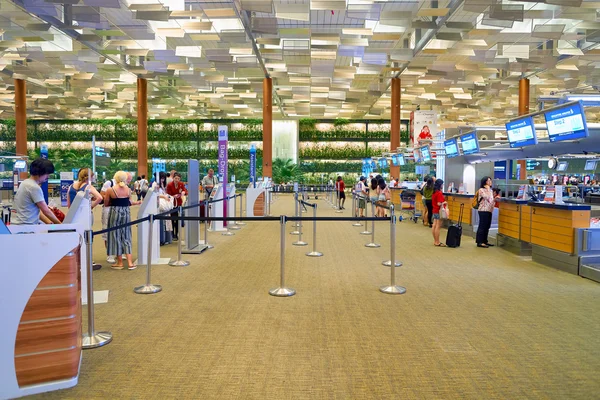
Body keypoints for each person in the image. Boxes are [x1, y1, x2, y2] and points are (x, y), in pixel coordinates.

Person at [106, 171, 141, 270]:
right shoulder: (128, 190)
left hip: (114, 212)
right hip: (126, 212)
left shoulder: (110, 190)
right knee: (126, 235)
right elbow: (129, 202)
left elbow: (106, 203)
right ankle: (130, 262)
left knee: (115, 235)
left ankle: (120, 262)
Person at [12, 158, 62, 225]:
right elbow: (46, 211)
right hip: (26, 227)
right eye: (47, 174)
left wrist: (49, 223)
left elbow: (37, 210)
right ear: (40, 172)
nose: (48, 177)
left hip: (20, 225)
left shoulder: (25, 183)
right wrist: (61, 225)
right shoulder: (34, 187)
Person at [154, 171, 174, 245]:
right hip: (159, 206)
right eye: (161, 178)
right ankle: (162, 239)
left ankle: (166, 238)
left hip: (164, 205)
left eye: (163, 178)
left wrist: (167, 196)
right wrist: (164, 196)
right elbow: (156, 194)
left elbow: (163, 193)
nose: (162, 180)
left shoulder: (162, 184)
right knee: (162, 223)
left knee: (166, 223)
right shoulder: (155, 184)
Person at [167, 172, 188, 240]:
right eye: (176, 178)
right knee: (173, 219)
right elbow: (168, 195)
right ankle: (173, 234)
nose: (177, 180)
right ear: (173, 178)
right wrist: (173, 196)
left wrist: (184, 192)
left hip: (179, 203)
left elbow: (185, 191)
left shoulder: (181, 184)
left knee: (178, 219)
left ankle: (177, 233)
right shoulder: (169, 185)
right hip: (172, 204)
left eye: (178, 179)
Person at [476, 176, 495, 248]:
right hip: (483, 210)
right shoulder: (481, 190)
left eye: (490, 180)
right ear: (485, 182)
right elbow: (488, 198)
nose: (490, 182)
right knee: (482, 226)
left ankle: (485, 241)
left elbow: (492, 200)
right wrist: (488, 189)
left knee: (487, 226)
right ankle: (479, 242)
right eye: (489, 181)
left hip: (489, 210)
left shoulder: (490, 190)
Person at [431, 178, 446, 247]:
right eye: (442, 184)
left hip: (434, 210)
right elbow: (439, 203)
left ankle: (435, 241)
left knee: (434, 225)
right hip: (438, 211)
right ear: (440, 185)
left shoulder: (434, 192)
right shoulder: (439, 193)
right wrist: (445, 202)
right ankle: (437, 241)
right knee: (438, 226)